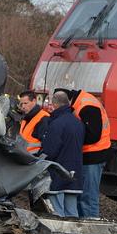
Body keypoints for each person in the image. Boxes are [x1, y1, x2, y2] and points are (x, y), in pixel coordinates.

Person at [55, 88, 112, 219]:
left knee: (88, 196)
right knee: (83, 195)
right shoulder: (82, 103)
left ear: (68, 100)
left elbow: (93, 135)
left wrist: (71, 142)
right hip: (89, 155)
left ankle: (92, 227)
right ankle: (85, 224)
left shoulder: (87, 107)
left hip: (94, 156)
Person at [40, 90, 85, 218]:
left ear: (54, 104)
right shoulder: (78, 123)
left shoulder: (56, 124)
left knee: (57, 213)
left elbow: (50, 150)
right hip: (75, 173)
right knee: (72, 212)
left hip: (58, 173)